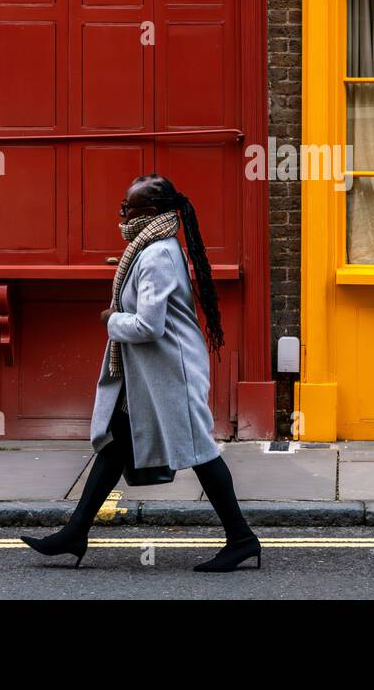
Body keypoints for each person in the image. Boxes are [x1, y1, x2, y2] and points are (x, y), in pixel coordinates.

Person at [21, 174, 262, 572]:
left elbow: (148, 326)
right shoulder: (147, 249)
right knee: (116, 444)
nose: (121, 215)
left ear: (149, 213)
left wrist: (112, 319)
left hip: (171, 373)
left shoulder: (155, 255)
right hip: (148, 376)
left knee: (201, 453)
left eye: (126, 208)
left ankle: (241, 539)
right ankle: (75, 533)